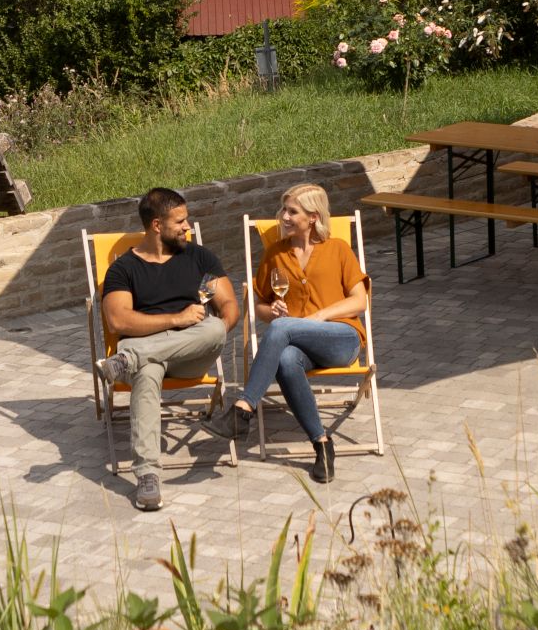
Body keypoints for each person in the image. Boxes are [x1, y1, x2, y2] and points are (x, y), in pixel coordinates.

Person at [97, 188, 241, 513]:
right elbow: (118, 319)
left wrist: (212, 331)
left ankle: (127, 361)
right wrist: (177, 318)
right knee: (147, 373)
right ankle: (148, 476)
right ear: (157, 225)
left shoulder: (198, 257)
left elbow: (229, 306)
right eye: (181, 221)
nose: (188, 226)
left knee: (216, 327)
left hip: (192, 353)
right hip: (151, 354)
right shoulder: (124, 269)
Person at [225, 183, 370, 485]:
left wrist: (319, 316)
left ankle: (243, 409)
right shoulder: (276, 255)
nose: (284, 217)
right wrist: (273, 312)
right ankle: (322, 444)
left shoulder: (337, 249)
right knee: (287, 359)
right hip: (298, 342)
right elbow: (262, 307)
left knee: (281, 331)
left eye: (292, 211)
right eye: (283, 210)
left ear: (314, 216)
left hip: (341, 337)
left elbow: (360, 301)